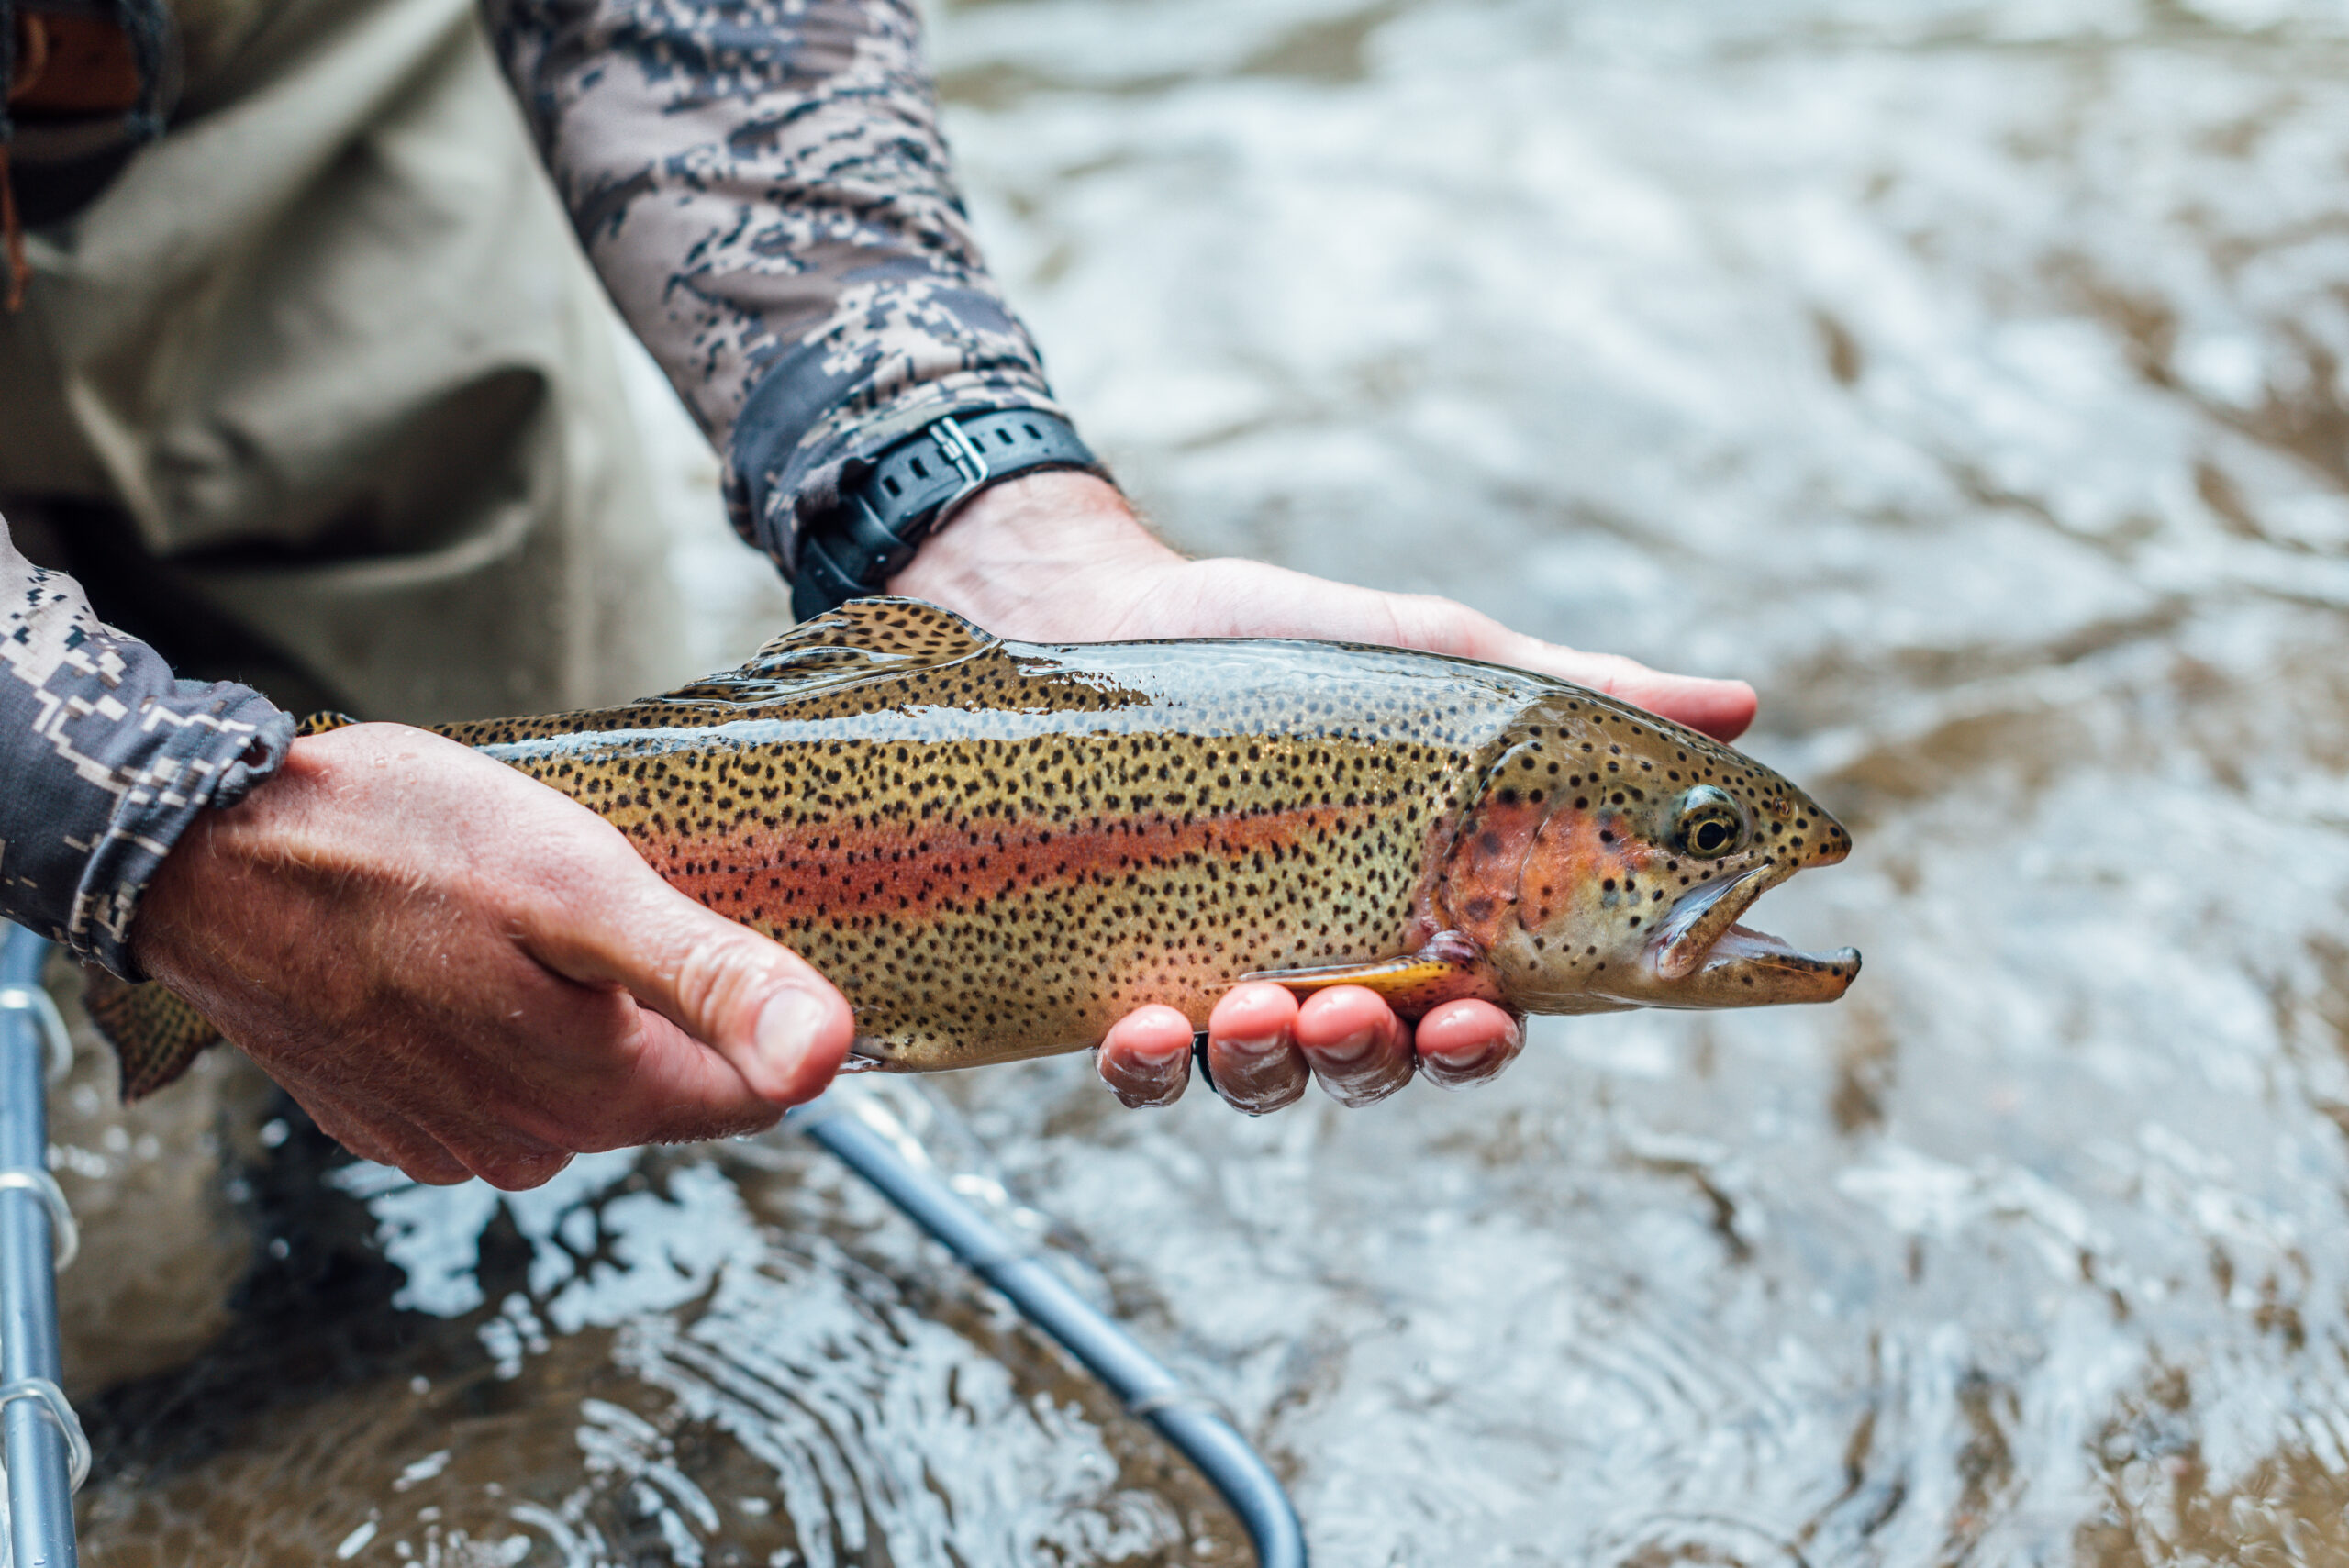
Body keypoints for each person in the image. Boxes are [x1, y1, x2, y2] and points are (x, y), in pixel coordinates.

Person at [0, 0, 1755, 1192]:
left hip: (251, 123)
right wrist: (158, 826)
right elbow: (147, 809)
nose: (1706, 865)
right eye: (1679, 837)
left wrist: (956, 497)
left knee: (502, 1013)